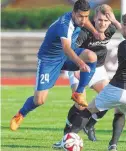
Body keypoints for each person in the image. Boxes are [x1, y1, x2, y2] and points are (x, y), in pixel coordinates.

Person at [60, 11, 126, 151]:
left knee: (88, 110)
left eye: (123, 24)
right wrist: (114, 21)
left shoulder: (125, 45)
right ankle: (113, 145)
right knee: (119, 113)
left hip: (119, 88)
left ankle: (68, 139)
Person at [10, 0, 105, 131]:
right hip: (49, 60)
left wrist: (94, 32)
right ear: (73, 13)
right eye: (80, 16)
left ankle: (78, 93)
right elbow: (66, 48)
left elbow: (85, 23)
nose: (83, 20)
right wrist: (80, 63)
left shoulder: (79, 19)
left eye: (86, 16)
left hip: (66, 56)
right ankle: (20, 114)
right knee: (39, 100)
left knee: (92, 56)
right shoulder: (64, 25)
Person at [52, 5, 122, 147]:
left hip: (98, 69)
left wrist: (114, 21)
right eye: (100, 20)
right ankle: (66, 136)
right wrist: (76, 68)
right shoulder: (84, 32)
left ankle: (90, 125)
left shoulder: (111, 28)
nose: (102, 23)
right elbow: (71, 49)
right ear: (94, 18)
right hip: (79, 66)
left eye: (106, 21)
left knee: (110, 98)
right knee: (80, 104)